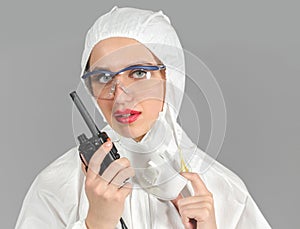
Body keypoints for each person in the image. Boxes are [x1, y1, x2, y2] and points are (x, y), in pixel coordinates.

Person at [15, 6, 271, 229]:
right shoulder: (55, 186)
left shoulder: (225, 191)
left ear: (170, 76)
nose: (121, 96)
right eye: (104, 77)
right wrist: (96, 224)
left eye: (138, 73)